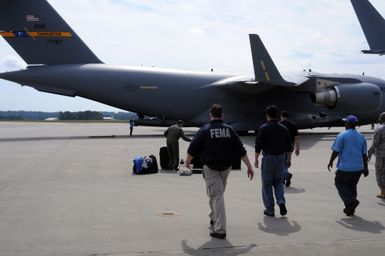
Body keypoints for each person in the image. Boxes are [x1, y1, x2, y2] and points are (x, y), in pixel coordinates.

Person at [185, 104, 254, 239]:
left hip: (211, 168)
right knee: (216, 194)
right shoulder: (230, 130)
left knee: (217, 196)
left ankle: (220, 229)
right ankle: (213, 217)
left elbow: (192, 148)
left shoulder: (205, 130)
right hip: (226, 168)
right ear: (222, 115)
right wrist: (249, 166)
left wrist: (187, 162)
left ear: (210, 115)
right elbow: (241, 150)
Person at [255, 105, 293, 217]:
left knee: (267, 184)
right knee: (279, 182)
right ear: (277, 115)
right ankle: (281, 201)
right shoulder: (284, 129)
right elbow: (289, 147)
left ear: (267, 115)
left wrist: (256, 159)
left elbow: (258, 146)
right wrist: (289, 159)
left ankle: (270, 209)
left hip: (269, 158)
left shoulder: (263, 128)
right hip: (281, 158)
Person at [327, 115, 369, 216]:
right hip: (358, 167)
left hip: (345, 167)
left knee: (339, 184)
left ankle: (351, 202)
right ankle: (350, 209)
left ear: (348, 124)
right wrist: (366, 167)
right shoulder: (361, 136)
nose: (344, 123)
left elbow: (336, 151)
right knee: (352, 186)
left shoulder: (342, 135)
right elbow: (364, 154)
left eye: (345, 122)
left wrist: (330, 161)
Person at [280, 111, 300, 187]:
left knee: (280, 163)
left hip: (281, 146)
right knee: (287, 162)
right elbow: (297, 137)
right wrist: (297, 148)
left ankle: (286, 175)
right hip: (290, 146)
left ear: (281, 116)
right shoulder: (293, 125)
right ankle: (283, 179)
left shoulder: (279, 124)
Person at [368, 112, 385, 199]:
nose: (379, 119)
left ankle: (383, 192)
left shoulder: (379, 129)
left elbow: (375, 143)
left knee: (380, 173)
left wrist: (369, 153)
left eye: (380, 118)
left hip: (381, 155)